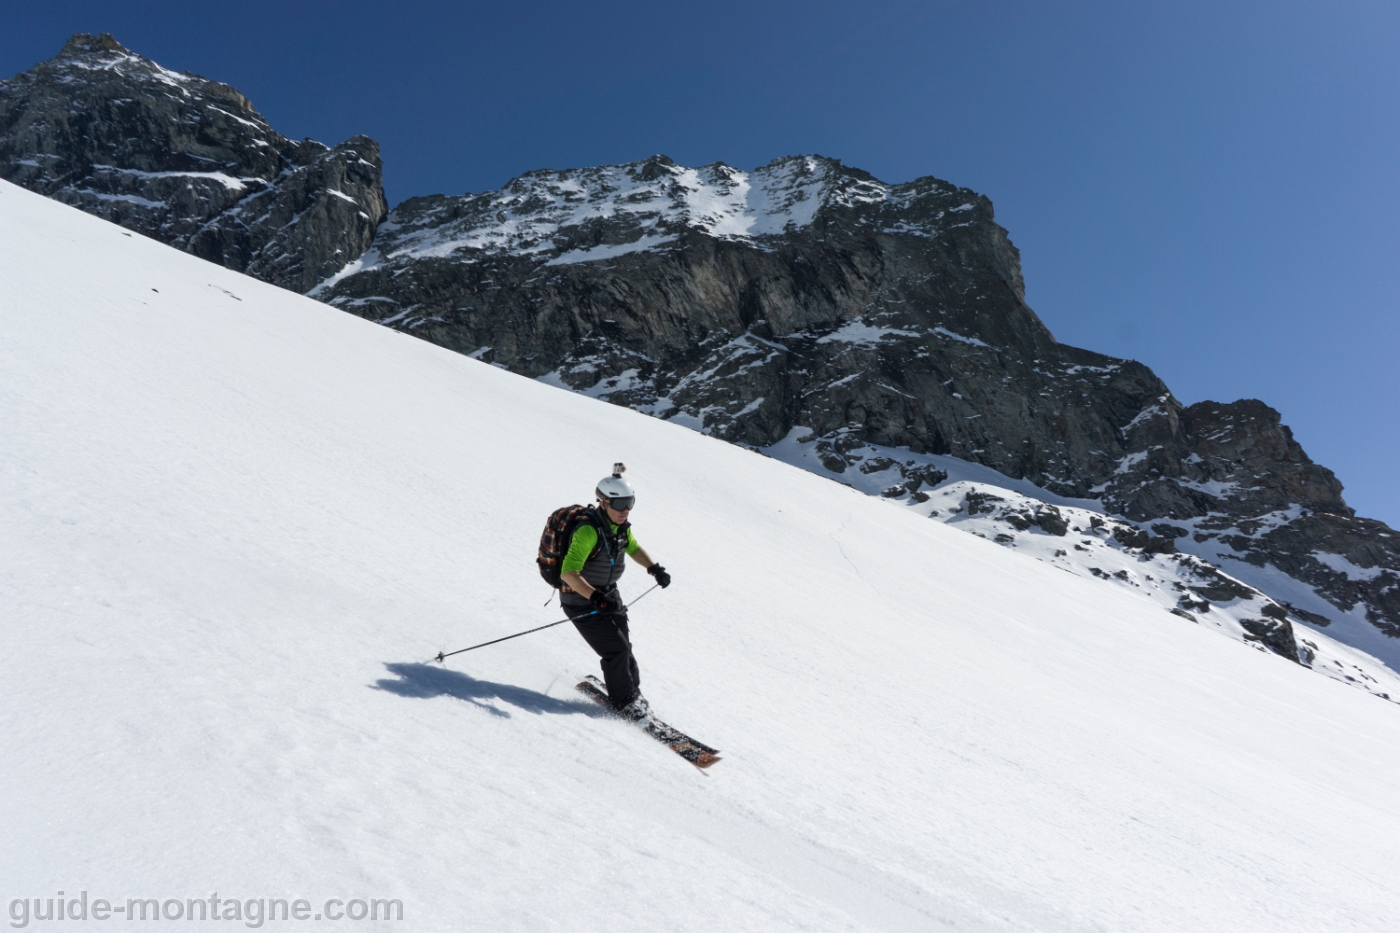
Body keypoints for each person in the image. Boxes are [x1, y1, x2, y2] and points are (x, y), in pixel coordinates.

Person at [558, 465, 671, 718]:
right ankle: (624, 702)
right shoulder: (588, 530)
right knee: (615, 650)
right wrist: (595, 597)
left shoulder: (620, 527)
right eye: (619, 504)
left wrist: (654, 568)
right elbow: (568, 572)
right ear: (604, 502)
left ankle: (633, 694)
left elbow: (633, 547)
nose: (625, 510)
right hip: (580, 600)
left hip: (608, 595)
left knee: (624, 647)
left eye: (629, 502)